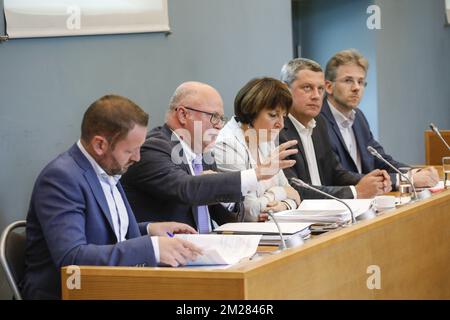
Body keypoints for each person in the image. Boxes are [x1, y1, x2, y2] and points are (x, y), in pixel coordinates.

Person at [21, 95, 202, 300]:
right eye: (130, 150)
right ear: (100, 145)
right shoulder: (61, 178)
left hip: (111, 287)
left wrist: (150, 230)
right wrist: (152, 248)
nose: (137, 158)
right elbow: (71, 258)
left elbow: (107, 234)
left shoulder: (108, 168)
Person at [121, 82, 297, 231]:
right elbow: (186, 189)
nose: (220, 126)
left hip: (204, 252)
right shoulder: (154, 148)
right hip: (166, 260)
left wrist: (237, 206)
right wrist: (258, 173)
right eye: (214, 117)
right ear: (183, 114)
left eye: (221, 118)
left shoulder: (204, 154)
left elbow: (229, 217)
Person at [321, 49, 439, 188]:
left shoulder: (358, 117)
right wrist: (407, 179)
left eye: (361, 81)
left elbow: (381, 159)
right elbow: (340, 176)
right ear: (328, 86)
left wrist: (414, 172)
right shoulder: (318, 123)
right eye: (348, 80)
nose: (356, 88)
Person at [279, 58, 391, 199]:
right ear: (284, 89)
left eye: (320, 89)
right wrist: (356, 192)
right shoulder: (277, 130)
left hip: (329, 211)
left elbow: (335, 172)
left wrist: (369, 181)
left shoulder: (319, 122)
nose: (316, 96)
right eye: (307, 87)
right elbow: (294, 188)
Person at [214, 77, 301, 221]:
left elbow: (295, 195)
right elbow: (249, 212)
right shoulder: (226, 145)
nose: (280, 124)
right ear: (251, 111)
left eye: (283, 116)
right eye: (273, 115)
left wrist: (285, 205)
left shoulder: (264, 139)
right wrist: (279, 193)